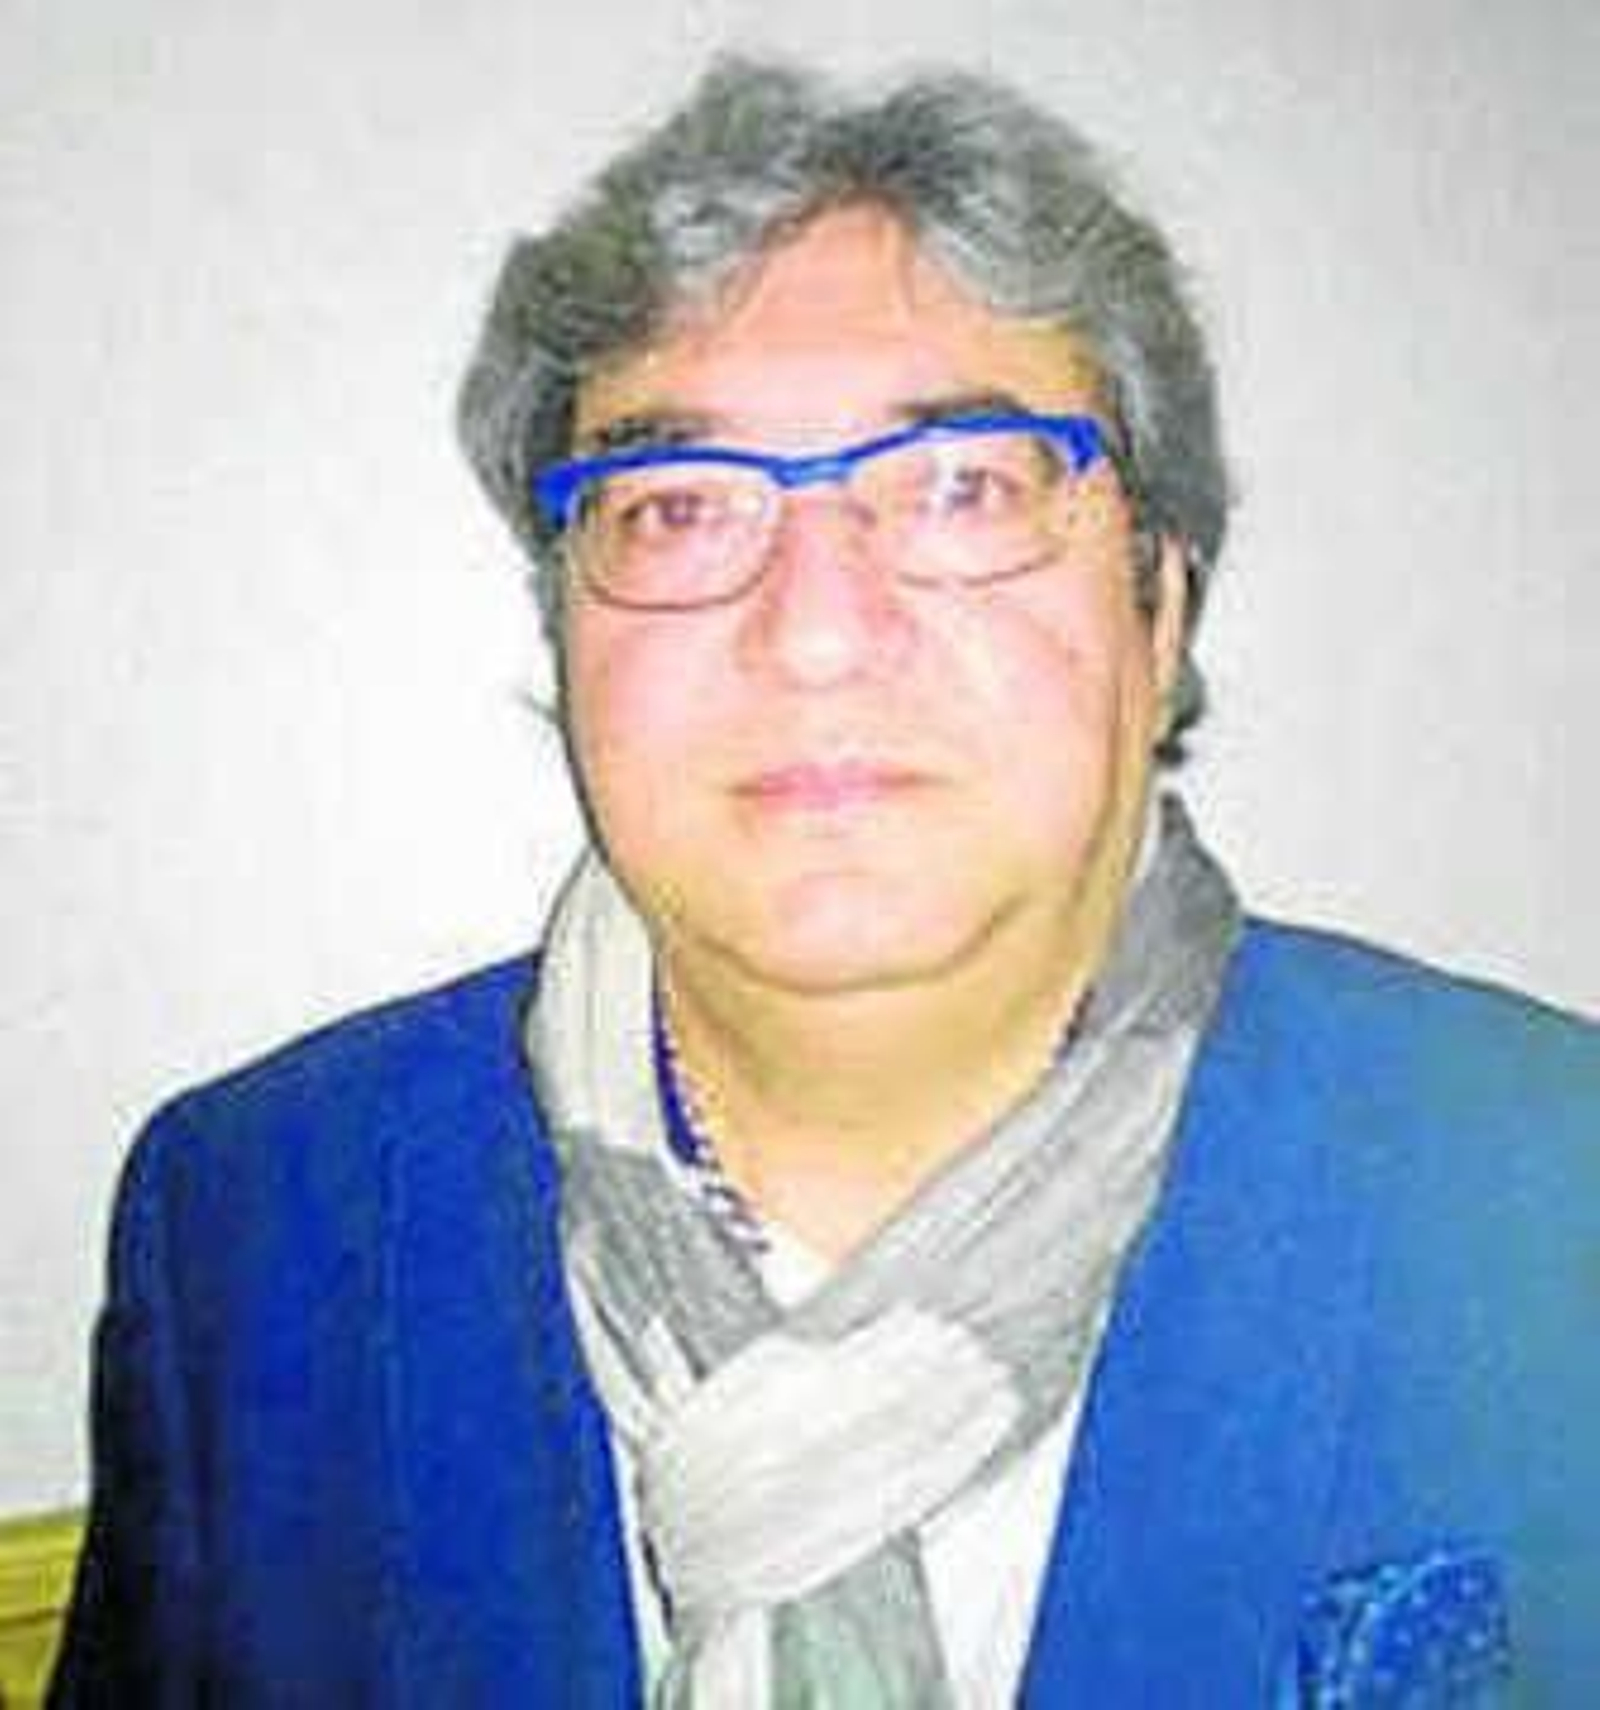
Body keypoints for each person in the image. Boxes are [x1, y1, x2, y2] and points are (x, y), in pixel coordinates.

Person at [52, 56, 1598, 1707]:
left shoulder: (1544, 1194)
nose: (815, 633)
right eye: (675, 509)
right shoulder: (257, 1233)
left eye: (962, 486)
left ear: (1159, 605)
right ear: (562, 631)